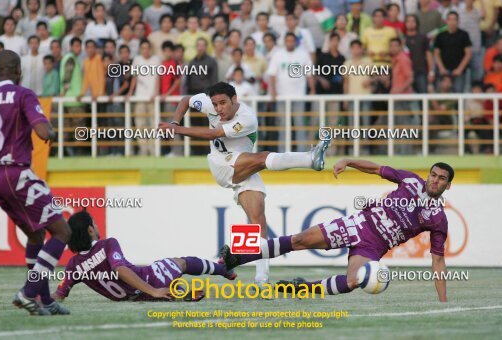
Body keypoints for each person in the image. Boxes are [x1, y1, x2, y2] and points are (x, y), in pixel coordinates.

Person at [159, 82, 330, 287]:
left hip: (242, 165)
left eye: (223, 103)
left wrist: (176, 130)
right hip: (222, 164)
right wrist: (175, 123)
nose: (219, 109)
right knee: (262, 158)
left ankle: (254, 275)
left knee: (257, 220)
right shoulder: (210, 104)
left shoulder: (247, 119)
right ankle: (309, 159)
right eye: (215, 104)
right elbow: (186, 100)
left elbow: (214, 134)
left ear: (235, 99)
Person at [221, 159, 452, 303]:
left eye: (441, 179)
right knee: (300, 239)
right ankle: (236, 258)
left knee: (353, 282)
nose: (435, 180)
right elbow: (377, 169)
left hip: (373, 247)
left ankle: (303, 288)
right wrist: (349, 161)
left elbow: (438, 262)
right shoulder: (410, 180)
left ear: (447, 185)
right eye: (433, 175)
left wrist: (442, 302)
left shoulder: (438, 219)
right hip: (358, 224)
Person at [0, 50, 71, 315]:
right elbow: (41, 130)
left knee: (36, 233)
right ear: (17, 69)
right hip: (14, 172)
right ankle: (27, 292)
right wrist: (50, 131)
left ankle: (44, 300)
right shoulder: (22, 93)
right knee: (62, 231)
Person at [52, 210, 235, 302]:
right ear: (90, 230)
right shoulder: (107, 244)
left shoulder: (73, 265)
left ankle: (177, 294)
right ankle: (223, 269)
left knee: (155, 280)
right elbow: (121, 270)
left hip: (132, 297)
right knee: (181, 262)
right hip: (148, 281)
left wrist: (38, 298)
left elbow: (60, 294)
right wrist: (154, 290)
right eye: (94, 224)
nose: (97, 227)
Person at [434, 11, 472, 93]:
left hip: (459, 72)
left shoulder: (464, 35)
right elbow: (436, 54)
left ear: (458, 21)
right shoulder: (440, 36)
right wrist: (441, 68)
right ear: (446, 21)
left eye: (454, 19)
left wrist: (460, 69)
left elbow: (468, 53)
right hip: (444, 71)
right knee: (442, 94)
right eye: (450, 19)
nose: (452, 22)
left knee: (459, 94)